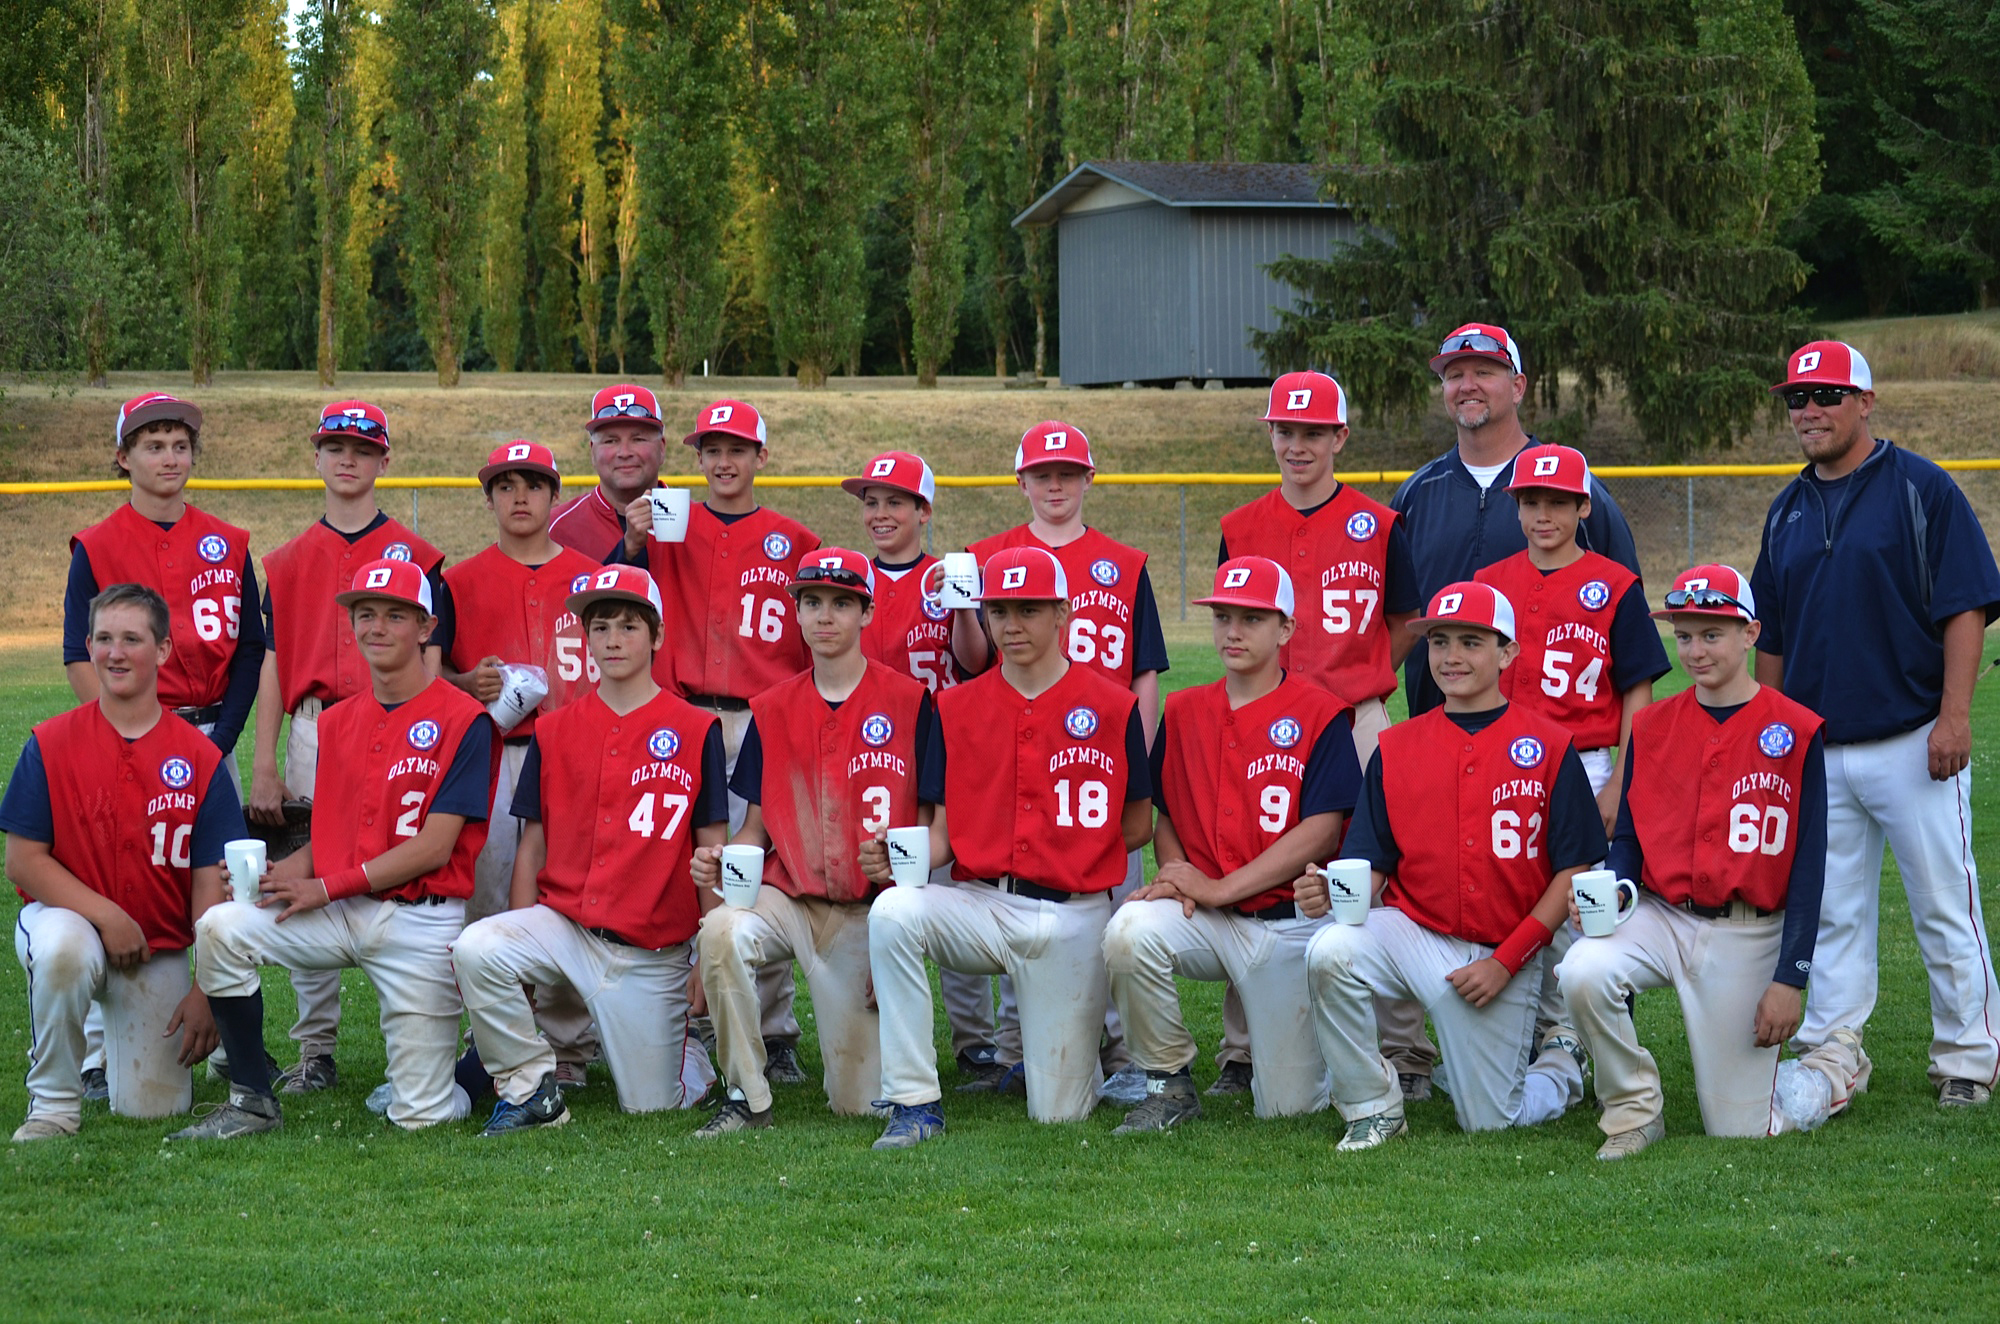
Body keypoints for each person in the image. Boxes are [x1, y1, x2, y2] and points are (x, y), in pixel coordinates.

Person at [1751, 340, 2000, 1109]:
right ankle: (1834, 1056)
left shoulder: (1921, 487)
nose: (1810, 409)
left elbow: (1965, 606)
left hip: (1911, 736)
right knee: (1832, 913)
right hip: (1820, 747)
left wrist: (1953, 717)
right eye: (1797, 397)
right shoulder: (1788, 507)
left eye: (1827, 393)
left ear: (1865, 402)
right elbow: (1773, 639)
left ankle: (1967, 1058)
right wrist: (1774, 740)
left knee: (1942, 904)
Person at [172, 559, 494, 1138]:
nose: (376, 627)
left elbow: (434, 848)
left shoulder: (465, 718)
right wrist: (277, 875)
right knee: (221, 925)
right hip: (343, 908)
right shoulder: (339, 721)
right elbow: (333, 840)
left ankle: (479, 1072)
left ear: (425, 629)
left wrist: (323, 887)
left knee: (422, 1116)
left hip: (420, 919)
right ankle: (251, 1098)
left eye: (396, 616)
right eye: (365, 614)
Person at [1559, 564, 1861, 1160]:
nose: (1695, 650)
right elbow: (1631, 843)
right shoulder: (1650, 725)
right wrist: (1615, 891)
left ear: (1750, 634)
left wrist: (1789, 980)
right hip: (1661, 916)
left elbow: (1807, 868)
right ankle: (1634, 1111)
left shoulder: (1796, 730)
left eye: (1712, 633)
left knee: (1743, 1130)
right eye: (1685, 634)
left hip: (1747, 932)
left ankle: (1834, 1064)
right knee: (1583, 968)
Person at [860, 545, 1152, 1147]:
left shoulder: (1112, 704)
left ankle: (1067, 1059)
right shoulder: (954, 706)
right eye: (998, 612)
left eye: (1028, 610)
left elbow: (1138, 823)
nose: (1011, 626)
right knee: (894, 910)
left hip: (1072, 915)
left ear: (1063, 613)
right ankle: (914, 1102)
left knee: (1060, 1114)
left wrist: (1073, 856)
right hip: (981, 905)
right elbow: (940, 834)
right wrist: (900, 857)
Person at [1299, 583, 1604, 1149]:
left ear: (1508, 652)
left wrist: (1507, 964)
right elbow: (1373, 864)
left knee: (1493, 1120)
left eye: (1472, 641)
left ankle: (1562, 1061)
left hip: (1500, 950)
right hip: (1415, 933)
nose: (1452, 657)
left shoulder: (1550, 744)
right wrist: (1330, 892)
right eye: (1440, 642)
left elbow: (1573, 871)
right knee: (1330, 948)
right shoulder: (1397, 746)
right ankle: (1373, 1106)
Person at [450, 565, 730, 1134]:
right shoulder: (553, 729)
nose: (613, 639)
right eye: (600, 627)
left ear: (656, 636)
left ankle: (687, 1054)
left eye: (629, 626)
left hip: (650, 950)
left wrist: (706, 950)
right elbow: (533, 846)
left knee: (652, 1107)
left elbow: (711, 850)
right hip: (566, 927)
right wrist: (522, 949)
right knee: (479, 947)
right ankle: (531, 1088)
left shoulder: (697, 727)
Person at [1213, 370, 1422, 1099]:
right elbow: (1234, 627)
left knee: (1383, 876)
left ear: (1340, 436)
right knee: (1255, 865)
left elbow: (1404, 622)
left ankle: (1404, 1050)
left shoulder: (1381, 523)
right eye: (1284, 430)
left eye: (1312, 432)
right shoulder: (1241, 526)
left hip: (1357, 719)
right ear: (1271, 434)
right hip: (1265, 723)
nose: (1296, 444)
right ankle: (1243, 1052)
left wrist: (1362, 681)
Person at [1101, 557, 1359, 1131]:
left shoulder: (1321, 713)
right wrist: (1174, 873)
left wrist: (1215, 887)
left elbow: (1321, 830)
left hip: (1288, 925)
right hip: (1209, 921)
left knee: (1288, 1108)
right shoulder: (1186, 708)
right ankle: (1168, 1083)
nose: (1233, 631)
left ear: (1285, 629)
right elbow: (1164, 810)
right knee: (1129, 930)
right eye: (1223, 617)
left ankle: (1348, 1060)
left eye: (1252, 618)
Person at [692, 548, 943, 1135]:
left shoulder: (910, 702)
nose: (824, 616)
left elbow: (930, 827)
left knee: (856, 1102)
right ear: (796, 614)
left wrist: (896, 934)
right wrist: (725, 862)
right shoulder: (772, 707)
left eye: (840, 603)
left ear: (867, 612)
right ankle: (745, 1095)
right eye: (811, 603)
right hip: (789, 896)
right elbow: (754, 826)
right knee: (721, 930)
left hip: (867, 910)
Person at [64, 392, 264, 1101]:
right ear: (124, 457)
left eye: (179, 443)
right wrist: (118, 730)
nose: (168, 457)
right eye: (152, 444)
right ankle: (95, 1052)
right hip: (128, 736)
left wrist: (226, 739)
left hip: (211, 732)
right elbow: (76, 653)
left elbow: (250, 653)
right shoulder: (97, 542)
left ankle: (228, 1032)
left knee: (221, 886)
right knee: (124, 877)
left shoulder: (228, 539)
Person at [618, 398, 823, 1086]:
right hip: (682, 716)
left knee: (764, 867)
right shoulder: (671, 523)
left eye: (737, 449)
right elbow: (629, 601)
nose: (723, 461)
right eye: (711, 450)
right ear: (696, 458)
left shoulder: (795, 539)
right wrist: (636, 543)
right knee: (687, 868)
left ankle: (775, 1026)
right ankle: (694, 1019)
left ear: (761, 457)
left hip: (764, 716)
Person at [963, 422, 1169, 1103]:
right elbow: (970, 665)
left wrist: (1131, 761)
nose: (1055, 485)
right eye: (1042, 473)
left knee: (1107, 910)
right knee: (1020, 896)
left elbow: (1144, 674)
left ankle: (1123, 1051)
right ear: (1020, 481)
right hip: (1018, 754)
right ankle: (1020, 1050)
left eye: (1068, 473)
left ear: (1088, 479)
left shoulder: (1125, 562)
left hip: (1096, 757)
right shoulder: (988, 556)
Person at [248, 400, 447, 1096]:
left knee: (407, 872)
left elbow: (437, 659)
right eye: (336, 445)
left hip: (399, 729)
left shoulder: (420, 558)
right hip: (314, 723)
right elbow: (275, 663)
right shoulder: (291, 558)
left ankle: (424, 1033)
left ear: (384, 461)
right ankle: (315, 1050)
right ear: (316, 456)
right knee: (307, 879)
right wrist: (266, 761)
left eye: (363, 448)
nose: (348, 458)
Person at [5, 584, 243, 1140]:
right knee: (65, 948)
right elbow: (22, 862)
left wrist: (205, 988)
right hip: (68, 920)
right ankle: (54, 1104)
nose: (115, 652)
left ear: (161, 651)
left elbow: (211, 878)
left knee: (154, 1107)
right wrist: (107, 916)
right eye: (104, 638)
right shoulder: (50, 742)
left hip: (154, 946)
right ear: (87, 645)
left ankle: (115, 1057)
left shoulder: (198, 755)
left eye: (132, 639)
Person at [437, 442, 604, 1089]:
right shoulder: (459, 580)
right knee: (489, 900)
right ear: (489, 499)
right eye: (505, 486)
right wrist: (461, 680)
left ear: (555, 496)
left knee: (566, 897)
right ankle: (496, 1048)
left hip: (575, 757)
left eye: (533, 484)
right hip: (496, 756)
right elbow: (435, 679)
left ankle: (567, 1050)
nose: (520, 497)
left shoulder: (592, 576)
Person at [842, 450, 1000, 1086]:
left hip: (948, 742)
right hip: (873, 749)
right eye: (871, 502)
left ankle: (975, 1042)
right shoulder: (848, 576)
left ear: (923, 511)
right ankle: (873, 1024)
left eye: (895, 502)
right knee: (878, 884)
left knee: (951, 879)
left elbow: (975, 663)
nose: (881, 513)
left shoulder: (947, 575)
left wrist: (964, 606)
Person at [1389, 325, 1641, 718]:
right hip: (1436, 734)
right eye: (1454, 375)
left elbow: (1629, 629)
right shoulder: (1415, 494)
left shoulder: (1574, 487)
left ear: (1518, 386)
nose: (1467, 385)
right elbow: (1392, 620)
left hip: (1553, 746)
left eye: (1485, 372)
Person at [549, 384, 668, 562]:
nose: (625, 452)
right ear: (592, 452)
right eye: (611, 441)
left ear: (662, 449)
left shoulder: (696, 523)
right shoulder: (555, 528)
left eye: (638, 439)